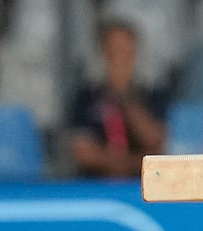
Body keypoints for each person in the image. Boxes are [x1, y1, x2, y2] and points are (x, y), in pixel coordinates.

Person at [67, 19, 169, 178]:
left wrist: (125, 98)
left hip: (141, 183)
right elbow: (83, 152)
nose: (121, 60)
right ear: (103, 54)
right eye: (115, 52)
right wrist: (117, 162)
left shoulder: (152, 95)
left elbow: (156, 143)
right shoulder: (86, 97)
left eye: (126, 52)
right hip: (95, 184)